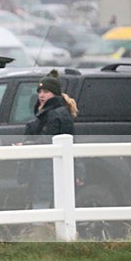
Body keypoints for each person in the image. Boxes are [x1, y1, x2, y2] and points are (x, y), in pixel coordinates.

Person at [20, 70, 83, 209]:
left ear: (55, 93)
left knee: (42, 207)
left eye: (46, 92)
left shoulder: (54, 115)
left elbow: (49, 141)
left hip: (47, 172)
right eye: (40, 91)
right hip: (48, 172)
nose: (41, 95)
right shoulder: (53, 113)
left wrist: (26, 145)